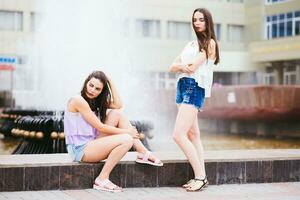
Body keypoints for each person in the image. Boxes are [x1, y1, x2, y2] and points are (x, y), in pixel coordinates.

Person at [64, 70, 163, 193]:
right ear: (86, 83)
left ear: (102, 90)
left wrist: (109, 81)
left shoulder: (95, 101)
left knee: (117, 114)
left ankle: (142, 152)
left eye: (98, 89)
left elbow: (118, 104)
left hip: (92, 144)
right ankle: (102, 178)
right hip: (80, 150)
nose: (92, 90)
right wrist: (126, 132)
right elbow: (100, 127)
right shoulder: (78, 100)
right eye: (91, 85)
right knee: (126, 140)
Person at [169, 8, 220, 192]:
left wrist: (181, 66)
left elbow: (193, 67)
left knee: (178, 135)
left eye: (201, 19)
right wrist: (182, 66)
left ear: (208, 21)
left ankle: (201, 177)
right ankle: (200, 175)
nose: (197, 23)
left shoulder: (210, 43)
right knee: (193, 135)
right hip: (182, 87)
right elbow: (171, 66)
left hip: (194, 87)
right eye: (195, 20)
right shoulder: (191, 44)